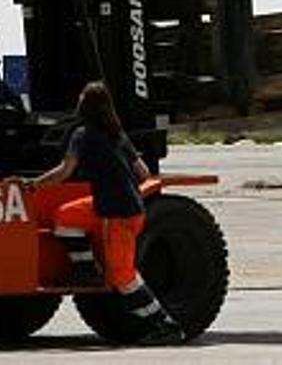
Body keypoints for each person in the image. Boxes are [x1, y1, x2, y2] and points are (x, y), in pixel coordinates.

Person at [18, 81, 184, 345]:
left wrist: (34, 184)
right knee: (64, 217)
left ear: (84, 106)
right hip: (122, 207)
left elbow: (64, 172)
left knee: (123, 277)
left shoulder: (81, 135)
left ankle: (164, 324)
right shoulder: (118, 134)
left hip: (117, 214)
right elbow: (142, 171)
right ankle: (87, 269)